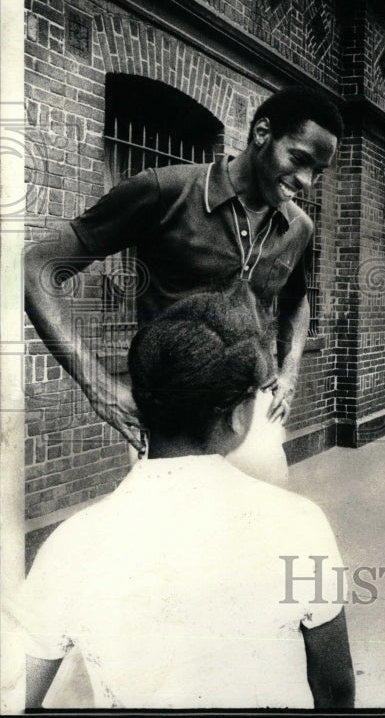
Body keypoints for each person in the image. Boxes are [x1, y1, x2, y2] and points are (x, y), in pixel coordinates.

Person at [12, 291, 355, 709]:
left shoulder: (70, 543)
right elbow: (336, 687)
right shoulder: (301, 524)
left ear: (141, 402)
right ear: (237, 416)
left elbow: (15, 696)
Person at [23, 85, 342, 468]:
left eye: (318, 172)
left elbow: (297, 301)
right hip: (169, 422)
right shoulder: (164, 190)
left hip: (254, 415)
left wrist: (288, 374)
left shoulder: (299, 228)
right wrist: (98, 386)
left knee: (257, 524)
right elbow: (36, 267)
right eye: (299, 159)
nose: (307, 181)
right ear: (262, 134)